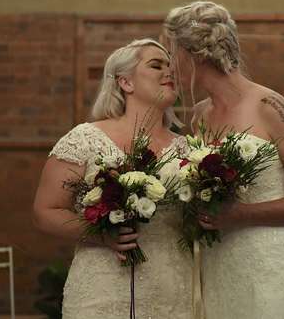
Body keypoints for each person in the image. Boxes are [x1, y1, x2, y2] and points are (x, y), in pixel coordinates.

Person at [162, 1, 284, 319]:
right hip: (219, 264)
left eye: (171, 52)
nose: (169, 65)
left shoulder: (270, 106)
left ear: (194, 54)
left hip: (271, 262)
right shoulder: (200, 115)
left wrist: (242, 214)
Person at [32, 39, 192, 319]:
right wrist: (102, 234)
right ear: (125, 82)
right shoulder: (84, 138)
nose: (169, 72)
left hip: (174, 287)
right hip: (103, 287)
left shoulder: (187, 149)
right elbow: (45, 212)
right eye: (156, 65)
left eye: (170, 66)